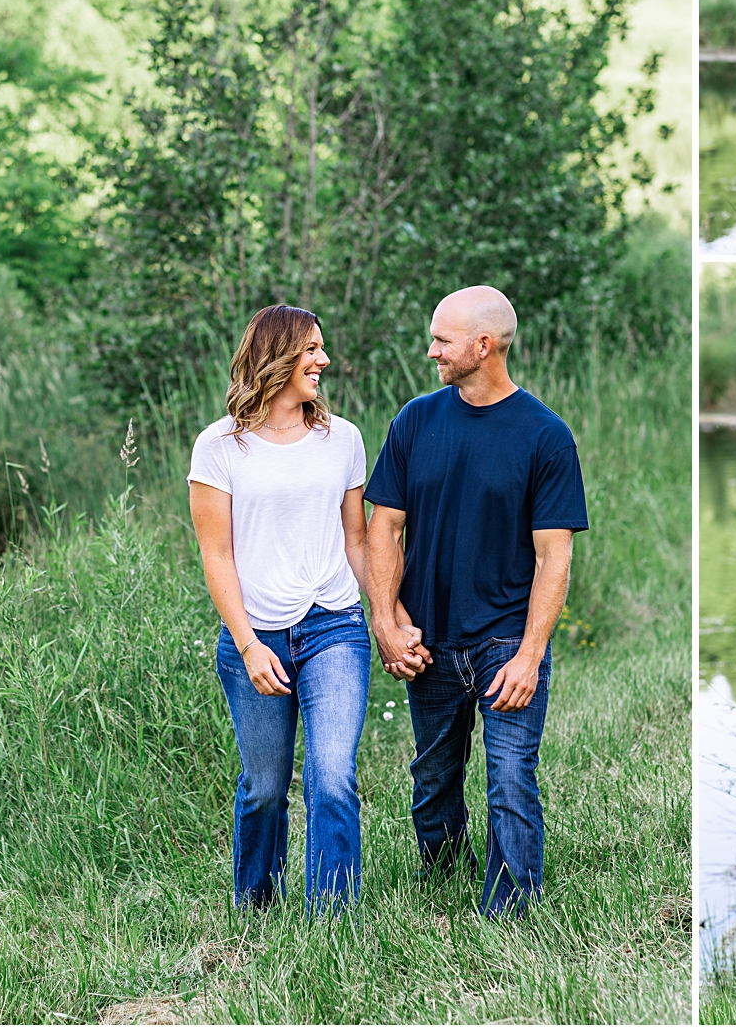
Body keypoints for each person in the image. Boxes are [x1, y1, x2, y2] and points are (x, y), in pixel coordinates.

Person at [364, 285, 588, 918]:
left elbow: (554, 557)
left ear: (483, 345)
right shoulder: (415, 421)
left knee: (511, 778)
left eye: (442, 339)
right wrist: (388, 618)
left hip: (504, 641)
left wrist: (529, 655)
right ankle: (441, 879)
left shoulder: (545, 437)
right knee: (433, 783)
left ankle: (511, 914)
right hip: (428, 639)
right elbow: (383, 527)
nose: (431, 350)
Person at [188, 304, 399, 912]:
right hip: (257, 637)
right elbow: (218, 557)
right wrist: (250, 643)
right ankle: (256, 907)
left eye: (322, 349)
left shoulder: (344, 439)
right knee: (264, 788)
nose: (324, 361)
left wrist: (387, 616)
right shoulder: (219, 447)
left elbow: (358, 540)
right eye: (311, 350)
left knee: (332, 776)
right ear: (276, 357)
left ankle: (332, 921)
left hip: (334, 624)